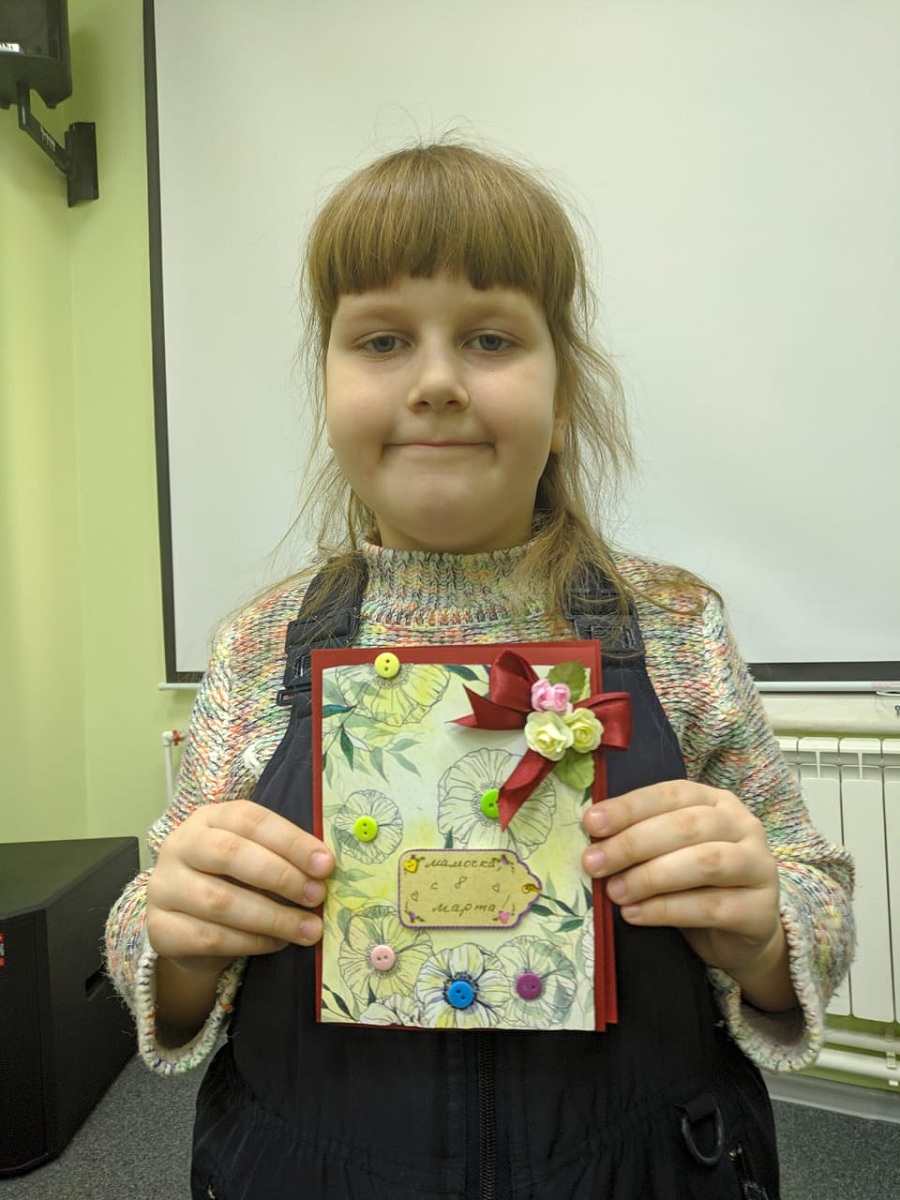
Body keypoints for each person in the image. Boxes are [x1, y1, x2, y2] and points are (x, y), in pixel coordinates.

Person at [105, 141, 854, 1199]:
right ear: (326, 388)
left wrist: (769, 924)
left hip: (641, 1164)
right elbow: (151, 924)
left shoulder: (675, 628)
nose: (437, 383)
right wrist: (175, 942)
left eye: (490, 339)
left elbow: (816, 896)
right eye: (381, 341)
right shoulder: (261, 645)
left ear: (563, 396)